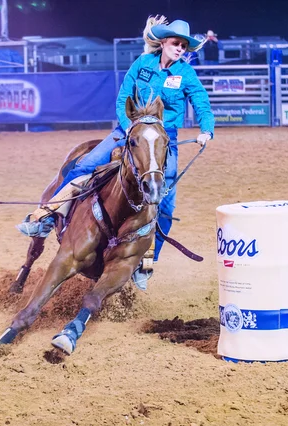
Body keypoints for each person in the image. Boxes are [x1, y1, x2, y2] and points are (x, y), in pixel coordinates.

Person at [16, 15, 215, 290]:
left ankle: (146, 263)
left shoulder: (186, 74)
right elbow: (124, 98)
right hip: (127, 131)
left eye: (183, 45)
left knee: (166, 206)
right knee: (83, 166)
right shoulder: (142, 64)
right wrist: (129, 127)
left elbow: (202, 103)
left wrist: (206, 130)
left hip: (160, 142)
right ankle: (45, 217)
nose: (179, 48)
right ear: (164, 43)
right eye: (175, 43)